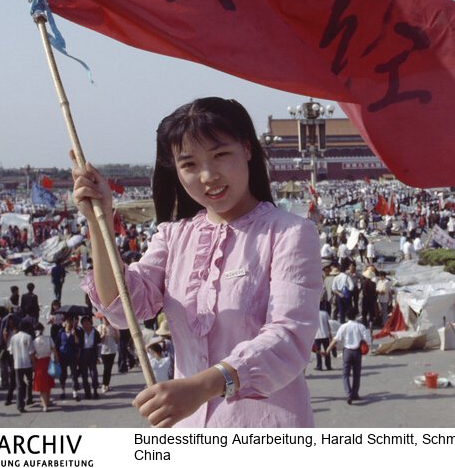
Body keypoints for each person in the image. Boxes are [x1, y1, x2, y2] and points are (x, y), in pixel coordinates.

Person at [73, 97, 321, 428]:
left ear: (247, 149)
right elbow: (124, 307)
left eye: (220, 155)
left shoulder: (290, 232)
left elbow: (289, 337)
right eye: (189, 164)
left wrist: (202, 388)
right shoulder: (173, 236)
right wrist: (98, 219)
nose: (207, 176)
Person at [325, 307, 370, 405]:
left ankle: (348, 394)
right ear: (356, 315)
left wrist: (328, 349)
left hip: (347, 352)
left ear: (346, 316)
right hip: (357, 352)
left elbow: (336, 339)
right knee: (356, 374)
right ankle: (355, 394)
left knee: (345, 374)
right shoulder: (361, 327)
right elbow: (367, 340)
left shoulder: (344, 326)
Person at [7, 320, 34, 412]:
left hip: (17, 364)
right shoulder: (28, 337)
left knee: (19, 385)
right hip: (27, 363)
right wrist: (34, 363)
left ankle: (20, 405)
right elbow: (31, 352)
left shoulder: (13, 337)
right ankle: (29, 398)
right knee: (29, 381)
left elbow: (11, 352)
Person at [31, 322, 57, 412]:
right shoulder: (49, 338)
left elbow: (32, 354)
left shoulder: (34, 341)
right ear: (43, 329)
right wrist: (57, 361)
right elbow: (54, 350)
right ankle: (47, 401)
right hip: (48, 361)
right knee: (48, 384)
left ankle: (45, 405)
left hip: (40, 363)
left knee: (42, 386)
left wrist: (34, 363)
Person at [76, 315, 100, 400]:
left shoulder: (95, 332)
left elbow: (98, 345)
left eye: (87, 322)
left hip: (92, 353)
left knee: (94, 374)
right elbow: (77, 342)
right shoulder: (80, 332)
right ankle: (87, 393)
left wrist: (98, 357)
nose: (86, 324)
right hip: (83, 354)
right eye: (84, 323)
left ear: (91, 323)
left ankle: (95, 391)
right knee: (84, 375)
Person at [97, 316, 118, 394]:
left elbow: (117, 340)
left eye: (107, 318)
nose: (106, 320)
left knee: (109, 368)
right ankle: (104, 385)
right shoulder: (100, 327)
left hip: (112, 350)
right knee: (106, 368)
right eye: (104, 319)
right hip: (104, 351)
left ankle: (107, 384)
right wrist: (103, 334)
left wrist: (115, 333)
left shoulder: (113, 327)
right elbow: (100, 340)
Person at [314, 301, 332, 371]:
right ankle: (328, 365)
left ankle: (319, 366)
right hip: (325, 334)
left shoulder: (314, 314)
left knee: (318, 351)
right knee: (327, 351)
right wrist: (330, 334)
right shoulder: (325, 313)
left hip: (317, 335)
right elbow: (329, 324)